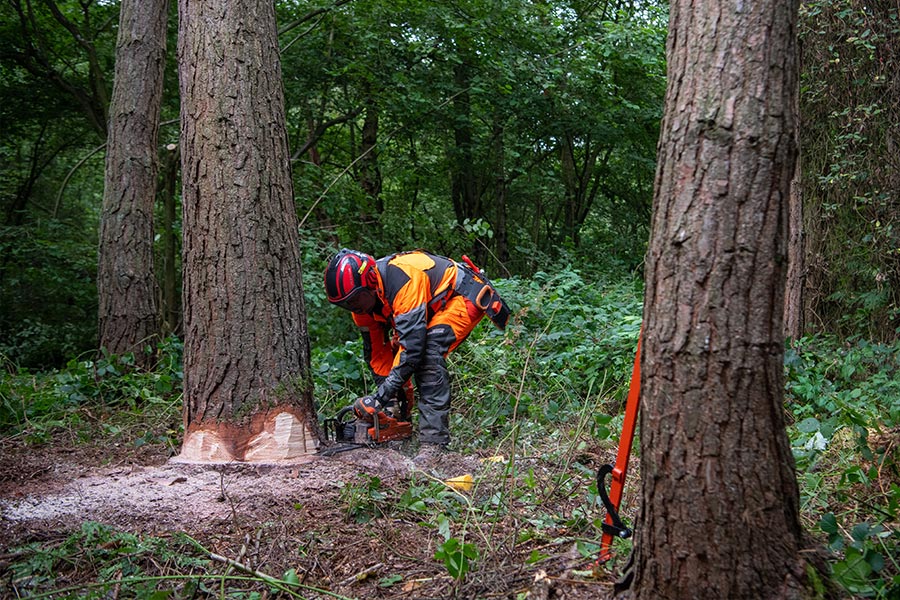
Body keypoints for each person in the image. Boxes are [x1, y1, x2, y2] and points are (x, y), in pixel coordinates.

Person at [324, 248, 510, 466]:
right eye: (345, 304)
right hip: (427, 307)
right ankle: (400, 426)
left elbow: (413, 349)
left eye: (355, 299)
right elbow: (378, 355)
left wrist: (380, 397)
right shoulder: (362, 309)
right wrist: (388, 403)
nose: (352, 307)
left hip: (458, 296)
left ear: (370, 282)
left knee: (427, 355)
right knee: (395, 357)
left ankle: (434, 444)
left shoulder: (402, 280)